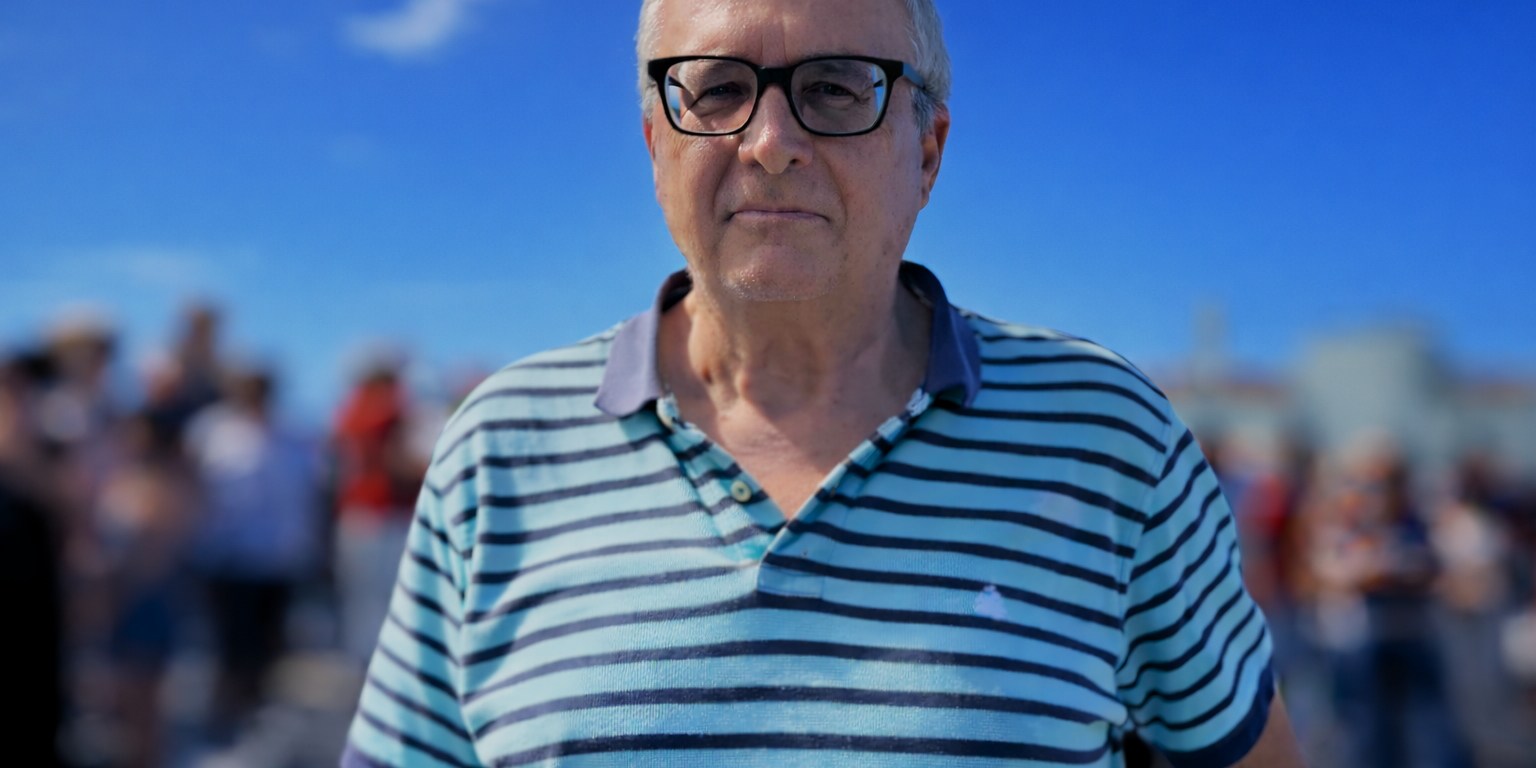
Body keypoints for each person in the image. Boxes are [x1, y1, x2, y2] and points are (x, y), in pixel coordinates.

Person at [341, 1, 1306, 766]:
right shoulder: (501, 446)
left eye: (838, 88)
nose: (769, 140)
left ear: (927, 153)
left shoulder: (1107, 436)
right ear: (655, 147)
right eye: (717, 89)